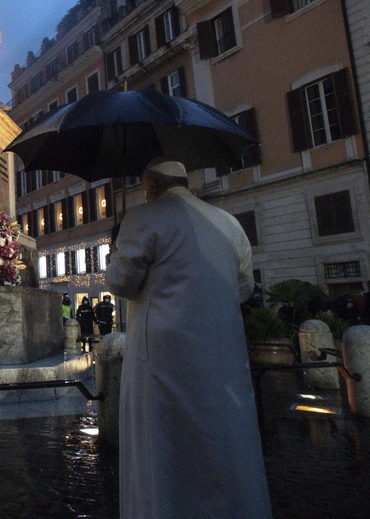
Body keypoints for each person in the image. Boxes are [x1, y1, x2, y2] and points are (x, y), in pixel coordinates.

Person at [105, 157, 271, 519]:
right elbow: (243, 288)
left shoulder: (142, 218)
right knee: (224, 443)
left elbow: (120, 282)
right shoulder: (229, 224)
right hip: (222, 358)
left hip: (163, 361)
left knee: (164, 455)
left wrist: (113, 253)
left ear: (151, 186)